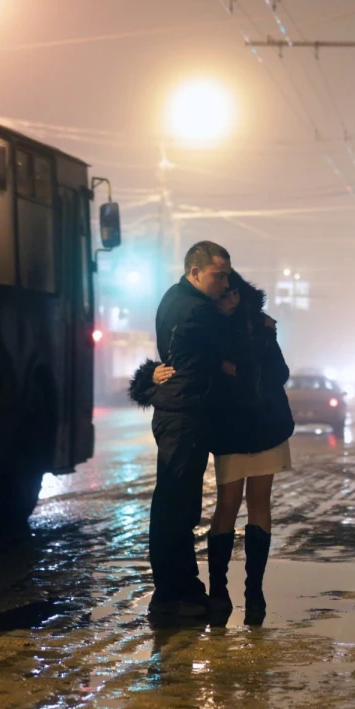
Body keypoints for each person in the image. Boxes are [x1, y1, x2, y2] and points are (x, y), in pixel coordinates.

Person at [132, 271, 295, 623]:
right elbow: (185, 366)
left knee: (260, 504)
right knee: (227, 506)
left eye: (235, 293)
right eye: (223, 296)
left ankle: (255, 590)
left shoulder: (260, 325)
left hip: (265, 425)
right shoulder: (210, 330)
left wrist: (242, 372)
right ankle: (218, 589)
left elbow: (279, 372)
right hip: (230, 430)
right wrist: (152, 375)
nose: (230, 300)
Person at [143, 241, 232, 617]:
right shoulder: (198, 310)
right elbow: (224, 358)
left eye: (227, 274)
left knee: (178, 504)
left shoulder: (173, 298)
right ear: (195, 273)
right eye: (218, 275)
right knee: (175, 507)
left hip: (176, 412)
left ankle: (183, 586)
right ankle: (170, 595)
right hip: (184, 415)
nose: (224, 283)